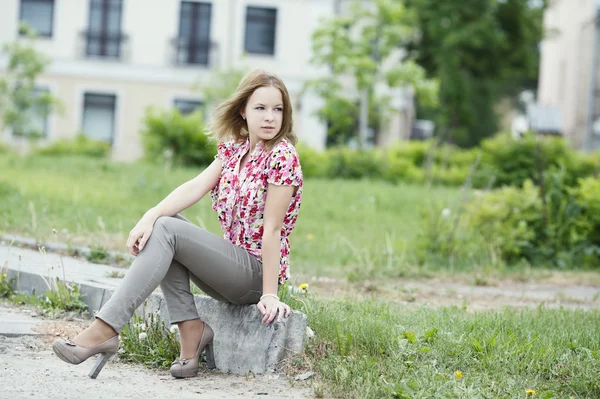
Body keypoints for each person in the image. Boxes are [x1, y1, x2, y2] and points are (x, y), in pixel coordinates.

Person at [52, 69, 303, 379]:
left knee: (167, 229)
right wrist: (149, 216)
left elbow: (273, 230)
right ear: (243, 110)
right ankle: (191, 331)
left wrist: (269, 295)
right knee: (163, 224)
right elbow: (194, 187)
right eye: (260, 108)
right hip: (230, 268)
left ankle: (104, 329)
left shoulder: (282, 156)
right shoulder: (236, 149)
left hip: (256, 273)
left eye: (277, 109)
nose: (270, 117)